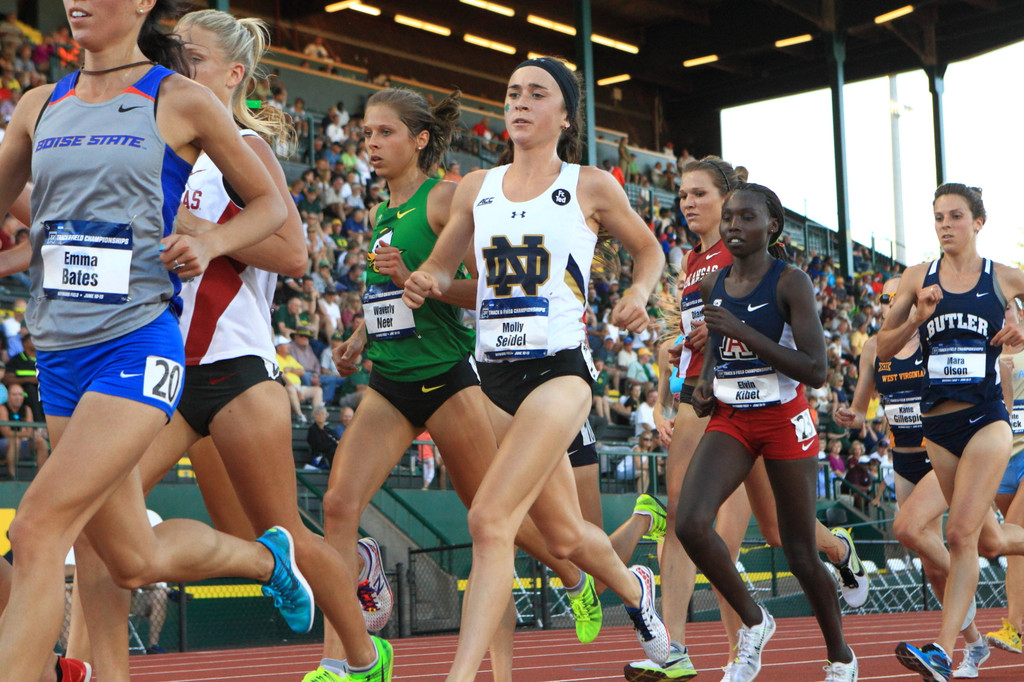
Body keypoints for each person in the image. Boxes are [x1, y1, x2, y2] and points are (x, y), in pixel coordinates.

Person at [0, 2, 314, 679]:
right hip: (56, 354)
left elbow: (269, 209)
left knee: (36, 529)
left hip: (137, 346)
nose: (76, 3)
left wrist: (212, 240)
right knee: (129, 557)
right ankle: (265, 558)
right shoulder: (36, 107)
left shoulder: (181, 101)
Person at [305, 85, 601, 682]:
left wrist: (421, 275)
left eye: (384, 132)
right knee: (338, 503)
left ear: (419, 140)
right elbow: (393, 294)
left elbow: (481, 292)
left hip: (448, 379)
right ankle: (345, 659)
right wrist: (361, 336)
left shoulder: (446, 199)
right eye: (365, 134)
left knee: (491, 517)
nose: (370, 143)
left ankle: (575, 574)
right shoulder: (379, 209)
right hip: (391, 377)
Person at [404, 56, 670, 682]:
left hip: (559, 370)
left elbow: (650, 249)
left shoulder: (591, 185)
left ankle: (462, 675)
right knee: (565, 538)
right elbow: (447, 267)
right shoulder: (476, 186)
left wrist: (636, 293)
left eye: (536, 94)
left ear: (565, 115)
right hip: (490, 373)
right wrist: (426, 278)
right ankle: (637, 594)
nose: (519, 103)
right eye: (512, 92)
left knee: (489, 519)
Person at [630, 158, 867, 682]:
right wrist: (696, 390)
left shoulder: (791, 281)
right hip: (731, 417)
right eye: (730, 217)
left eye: (745, 217)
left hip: (783, 418)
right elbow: (712, 342)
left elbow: (818, 371)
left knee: (794, 545)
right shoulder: (709, 277)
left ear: (769, 225)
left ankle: (841, 656)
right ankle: (744, 627)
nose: (733, 224)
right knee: (689, 522)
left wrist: (742, 333)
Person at [886, 184, 1024, 681]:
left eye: (956, 216)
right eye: (938, 217)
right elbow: (882, 347)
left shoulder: (1003, 277)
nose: (945, 225)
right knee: (989, 541)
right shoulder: (914, 277)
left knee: (960, 534)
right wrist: (916, 320)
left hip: (987, 419)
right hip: (937, 426)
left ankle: (943, 651)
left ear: (978, 222)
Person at [835, 277, 994, 678]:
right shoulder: (875, 347)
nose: (891, 302)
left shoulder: (932, 337)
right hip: (902, 461)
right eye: (885, 298)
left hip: (937, 454)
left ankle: (966, 576)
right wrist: (850, 417)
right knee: (933, 568)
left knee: (905, 528)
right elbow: (861, 407)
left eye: (896, 296)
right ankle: (974, 644)